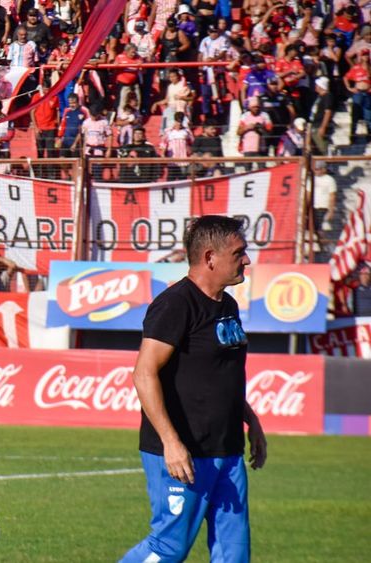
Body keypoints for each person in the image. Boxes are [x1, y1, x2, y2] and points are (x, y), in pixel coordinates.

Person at [120, 215, 267, 563]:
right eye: (238, 252)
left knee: (233, 553)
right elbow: (144, 374)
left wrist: (251, 421)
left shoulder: (227, 305)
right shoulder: (175, 304)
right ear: (209, 258)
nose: (246, 259)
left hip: (227, 450)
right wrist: (171, 443)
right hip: (183, 452)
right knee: (169, 548)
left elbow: (221, 375)